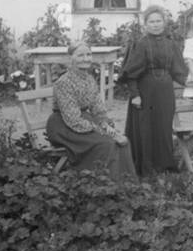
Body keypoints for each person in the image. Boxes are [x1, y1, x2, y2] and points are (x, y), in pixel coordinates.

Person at [45, 43, 137, 179]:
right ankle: (102, 182)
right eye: (80, 55)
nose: (86, 58)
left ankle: (125, 183)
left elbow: (97, 107)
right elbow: (73, 120)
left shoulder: (89, 79)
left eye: (88, 55)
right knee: (107, 143)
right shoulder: (63, 83)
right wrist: (101, 130)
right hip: (64, 126)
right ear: (70, 57)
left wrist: (105, 124)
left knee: (121, 140)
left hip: (85, 120)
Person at [118, 5, 189, 175]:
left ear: (164, 23)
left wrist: (189, 81)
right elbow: (131, 73)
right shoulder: (140, 44)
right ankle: (146, 168)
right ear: (145, 24)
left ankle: (164, 165)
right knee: (145, 129)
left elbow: (178, 70)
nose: (155, 25)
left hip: (165, 92)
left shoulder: (171, 44)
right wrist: (135, 95)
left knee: (163, 128)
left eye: (158, 21)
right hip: (144, 92)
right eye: (152, 21)